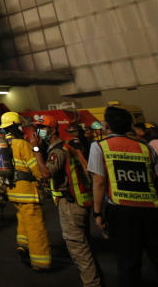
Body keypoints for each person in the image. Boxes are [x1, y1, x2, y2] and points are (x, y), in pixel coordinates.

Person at [89, 106, 158, 287]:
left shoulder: (100, 147)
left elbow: (99, 182)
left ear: (106, 125)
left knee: (128, 262)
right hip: (152, 210)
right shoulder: (145, 147)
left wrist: (97, 213)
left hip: (121, 211)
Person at [35, 115, 101, 286]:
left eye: (43, 128)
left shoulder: (57, 150)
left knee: (79, 249)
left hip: (71, 204)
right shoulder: (64, 145)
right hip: (80, 201)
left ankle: (92, 284)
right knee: (85, 244)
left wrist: (35, 150)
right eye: (38, 128)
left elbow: (46, 173)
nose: (40, 132)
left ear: (53, 129)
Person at [0, 111, 51, 271]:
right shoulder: (22, 144)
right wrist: (44, 182)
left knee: (23, 220)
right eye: (19, 125)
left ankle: (22, 246)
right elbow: (36, 168)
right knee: (36, 228)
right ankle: (40, 262)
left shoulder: (0, 147)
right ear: (14, 127)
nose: (21, 128)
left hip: (13, 192)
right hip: (28, 193)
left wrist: (2, 190)